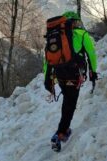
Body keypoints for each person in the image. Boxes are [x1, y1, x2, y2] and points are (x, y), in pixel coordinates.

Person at [44, 11, 98, 151]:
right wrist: (93, 72)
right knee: (70, 102)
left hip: (60, 76)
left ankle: (63, 128)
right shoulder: (82, 35)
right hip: (75, 76)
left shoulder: (55, 37)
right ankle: (61, 132)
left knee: (68, 99)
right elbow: (91, 54)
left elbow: (47, 60)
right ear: (74, 22)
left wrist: (48, 79)